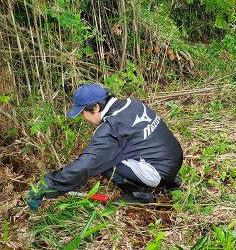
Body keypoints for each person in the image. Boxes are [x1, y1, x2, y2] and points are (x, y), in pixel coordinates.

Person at [26, 84, 183, 210]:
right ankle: (171, 182)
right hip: (175, 159)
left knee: (103, 161)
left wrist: (46, 186)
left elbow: (86, 165)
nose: (83, 118)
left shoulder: (112, 128)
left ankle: (139, 194)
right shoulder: (133, 104)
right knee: (126, 149)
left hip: (160, 174)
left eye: (82, 112)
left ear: (95, 107)